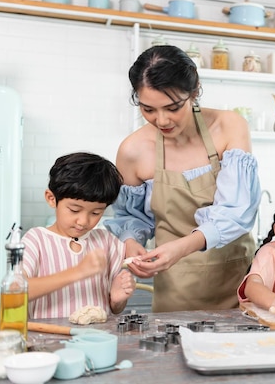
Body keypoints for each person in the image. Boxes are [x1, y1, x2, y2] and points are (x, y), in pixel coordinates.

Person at [104, 45, 260, 312]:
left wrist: (181, 247)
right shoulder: (133, 151)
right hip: (177, 285)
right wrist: (131, 243)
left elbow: (237, 211)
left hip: (242, 282)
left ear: (194, 91)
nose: (161, 120)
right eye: (148, 109)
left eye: (173, 107)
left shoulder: (228, 126)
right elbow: (129, 218)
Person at [22, 152, 135, 319]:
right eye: (74, 210)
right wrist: (78, 272)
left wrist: (117, 300)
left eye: (96, 212)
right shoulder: (36, 240)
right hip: (48, 340)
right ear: (52, 199)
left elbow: (115, 308)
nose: (83, 221)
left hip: (98, 338)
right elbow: (16, 292)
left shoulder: (107, 242)